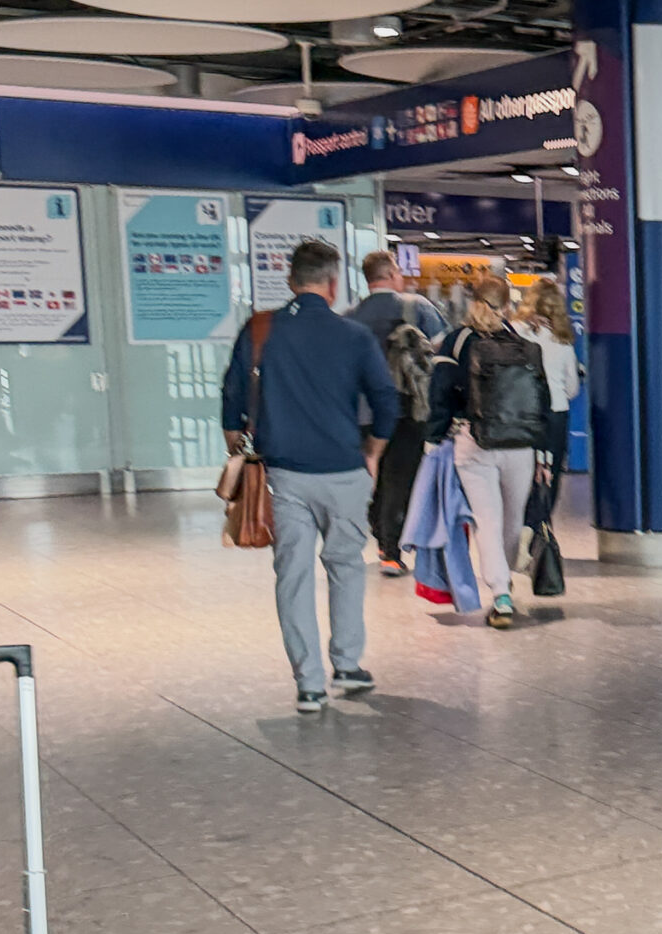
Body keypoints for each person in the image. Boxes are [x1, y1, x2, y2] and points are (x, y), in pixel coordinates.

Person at [221, 238, 397, 713]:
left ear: (290, 281)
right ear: (333, 285)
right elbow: (386, 400)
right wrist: (374, 452)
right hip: (345, 471)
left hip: (284, 477)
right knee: (346, 567)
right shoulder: (354, 336)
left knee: (294, 577)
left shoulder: (260, 330)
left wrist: (237, 449)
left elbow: (232, 399)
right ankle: (347, 664)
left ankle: (310, 685)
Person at [424, 272, 549, 630]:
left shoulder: (456, 341)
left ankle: (500, 593)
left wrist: (433, 439)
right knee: (512, 521)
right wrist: (543, 453)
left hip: (474, 441)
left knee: (487, 521)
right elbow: (539, 400)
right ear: (508, 305)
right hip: (520, 445)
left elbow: (440, 395)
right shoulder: (522, 341)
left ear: (472, 301)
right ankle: (504, 578)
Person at [349, 251, 445, 577]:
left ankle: (380, 537)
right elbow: (440, 349)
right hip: (407, 407)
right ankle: (391, 550)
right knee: (400, 478)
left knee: (374, 474)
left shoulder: (350, 316)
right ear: (391, 274)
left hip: (363, 412)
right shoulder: (416, 307)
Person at [515, 276, 581, 505]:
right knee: (549, 475)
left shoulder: (515, 334)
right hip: (555, 412)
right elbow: (572, 388)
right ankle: (542, 521)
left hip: (521, 413)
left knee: (522, 475)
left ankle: (521, 519)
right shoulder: (562, 342)